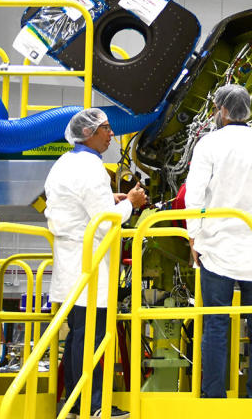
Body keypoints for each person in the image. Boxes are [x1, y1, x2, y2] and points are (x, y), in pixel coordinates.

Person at [184, 84, 252, 402]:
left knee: (215, 322)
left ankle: (213, 395)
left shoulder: (209, 144)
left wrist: (195, 235)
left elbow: (195, 193)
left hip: (215, 247)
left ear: (224, 110)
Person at [44, 108, 146, 419]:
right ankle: (95, 405)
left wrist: (111, 198)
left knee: (78, 336)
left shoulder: (64, 164)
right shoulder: (90, 169)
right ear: (88, 134)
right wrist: (131, 203)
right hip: (88, 266)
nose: (111, 133)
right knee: (93, 339)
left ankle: (77, 402)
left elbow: (81, 206)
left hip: (71, 264)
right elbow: (104, 223)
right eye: (106, 128)